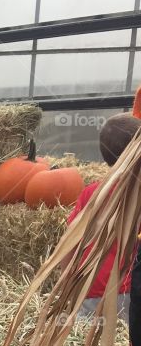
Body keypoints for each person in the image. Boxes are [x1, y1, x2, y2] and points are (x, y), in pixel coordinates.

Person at [69, 112, 141, 325]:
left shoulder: (91, 194)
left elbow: (70, 244)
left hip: (91, 291)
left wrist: (69, 285)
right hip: (131, 291)